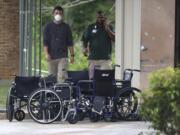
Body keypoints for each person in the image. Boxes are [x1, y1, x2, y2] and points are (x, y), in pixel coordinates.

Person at [43, 6, 74, 83]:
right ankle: (53, 94)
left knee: (61, 76)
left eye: (60, 13)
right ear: (53, 14)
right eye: (56, 13)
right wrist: (46, 54)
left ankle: (61, 93)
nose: (58, 15)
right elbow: (45, 42)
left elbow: (70, 43)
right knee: (52, 77)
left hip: (62, 56)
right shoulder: (48, 26)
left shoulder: (66, 27)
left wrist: (72, 55)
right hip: (51, 57)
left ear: (62, 15)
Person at [82, 11, 115, 79]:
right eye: (98, 17)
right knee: (92, 80)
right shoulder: (90, 27)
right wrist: (84, 48)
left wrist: (107, 28)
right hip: (93, 59)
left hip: (105, 59)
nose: (100, 19)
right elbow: (84, 39)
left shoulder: (109, 27)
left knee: (106, 79)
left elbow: (114, 39)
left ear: (105, 18)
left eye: (102, 17)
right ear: (96, 18)